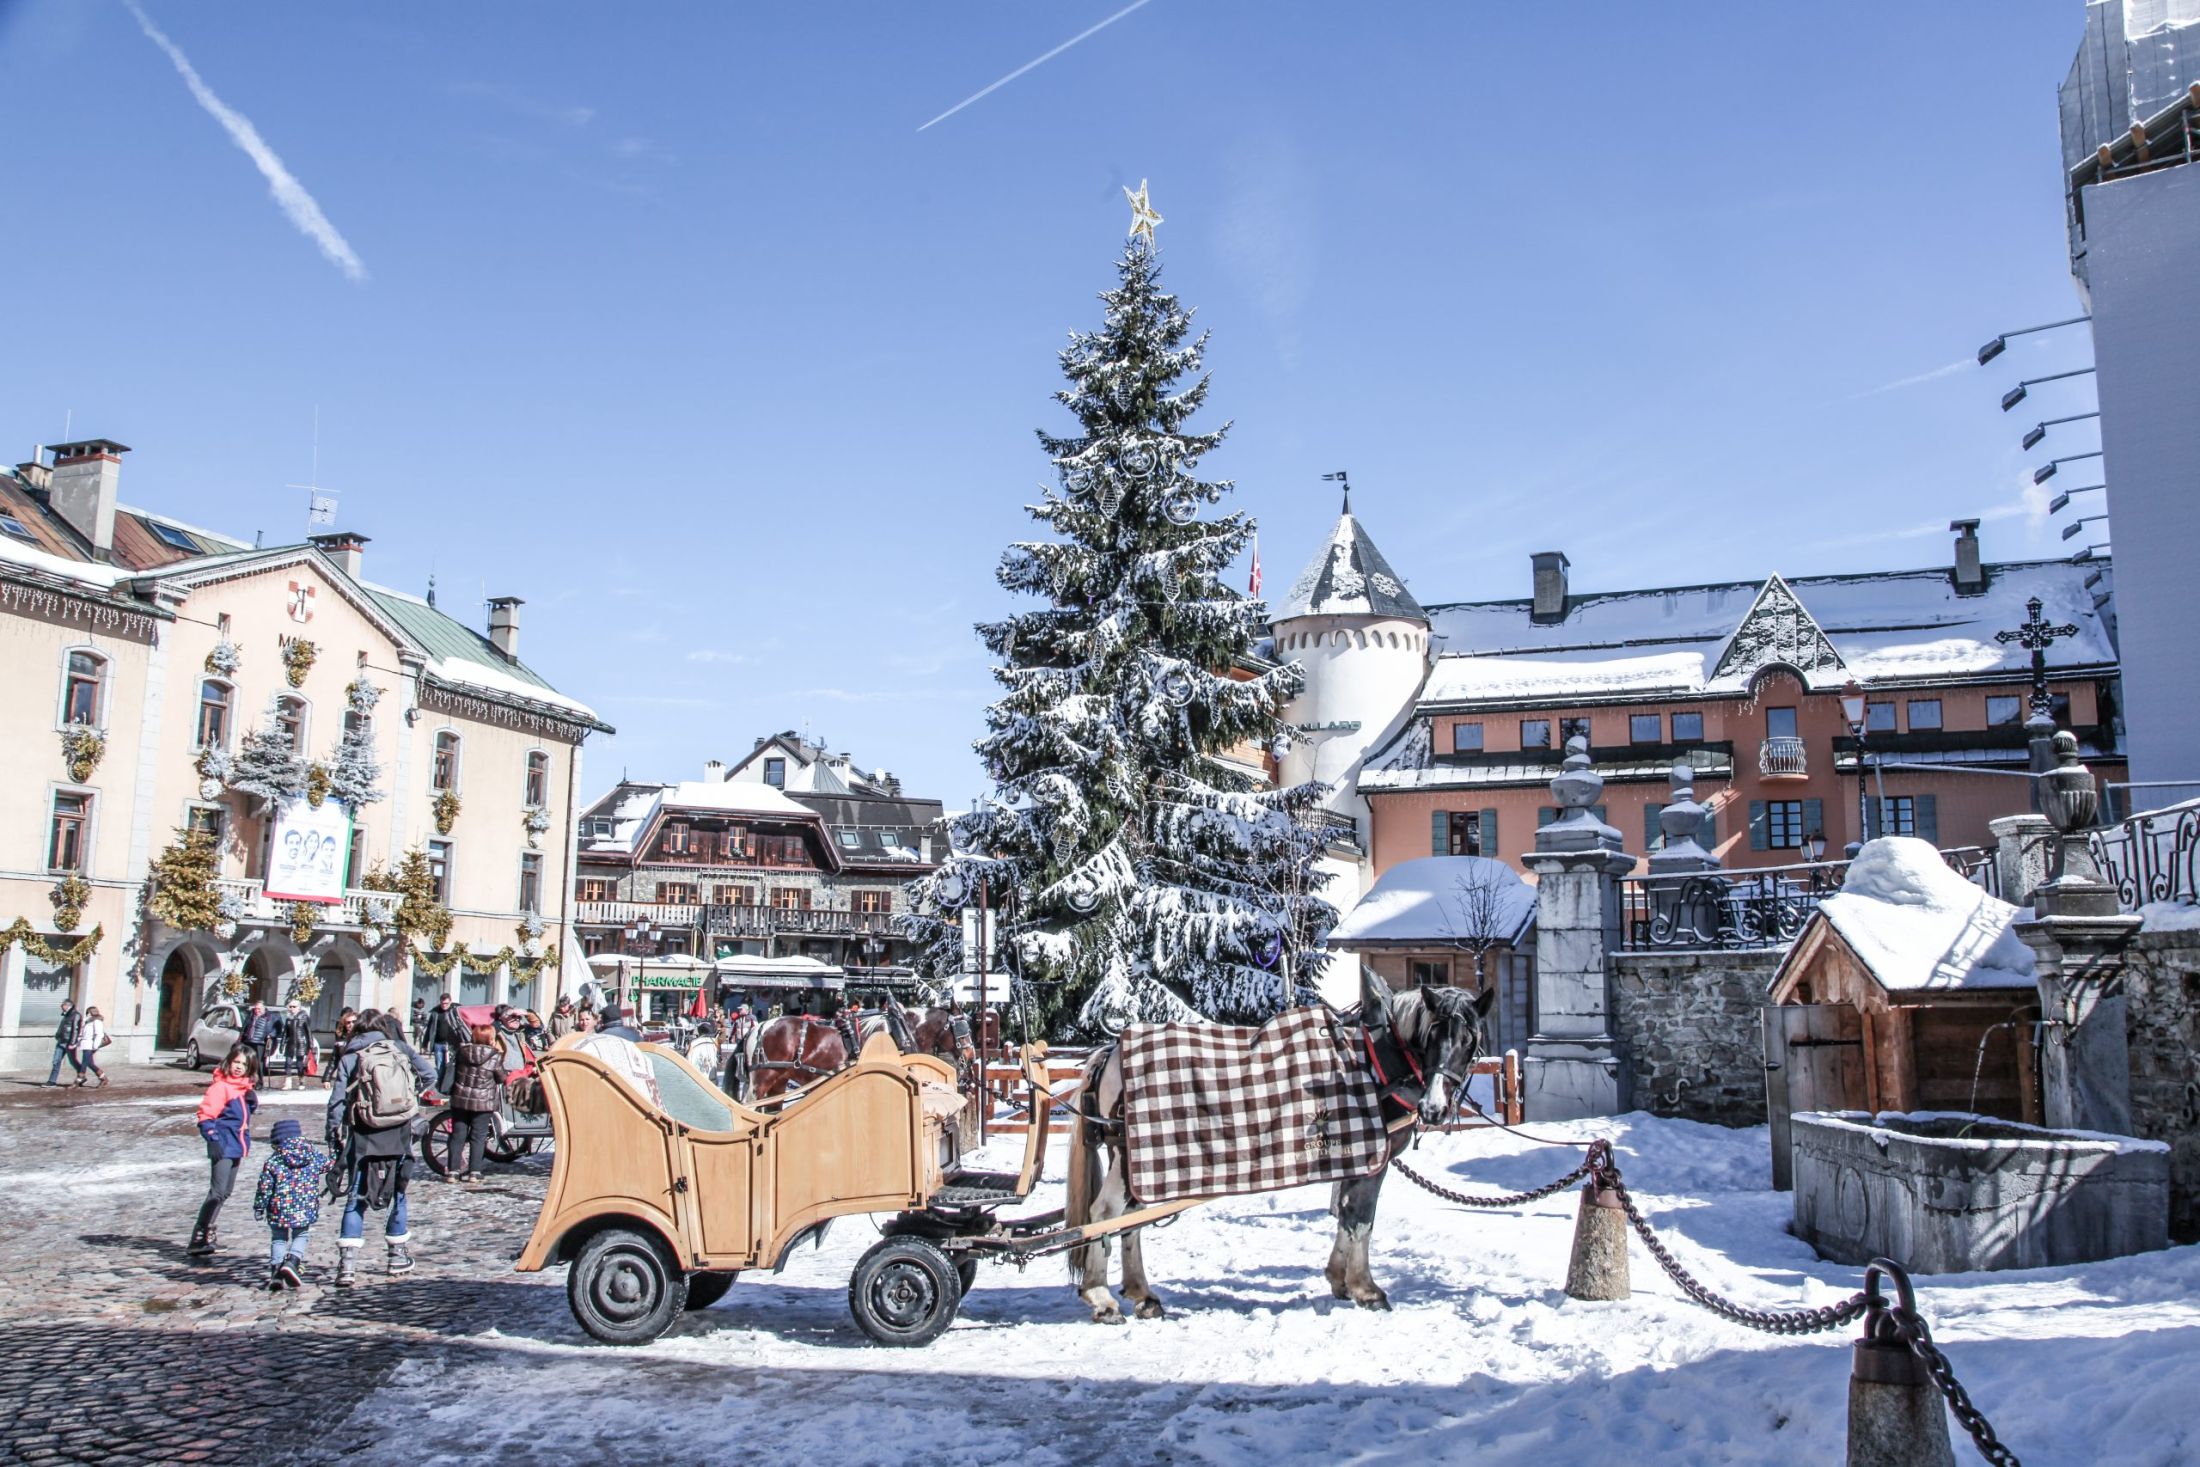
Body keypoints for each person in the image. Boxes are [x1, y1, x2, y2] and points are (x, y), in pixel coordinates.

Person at [325, 1010, 434, 1286]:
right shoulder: (399, 1048)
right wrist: (411, 1098)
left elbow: (337, 1100)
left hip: (363, 1131)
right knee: (397, 1190)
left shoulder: (351, 1055)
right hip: (399, 1129)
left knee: (355, 1194)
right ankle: (397, 1256)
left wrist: (333, 1133)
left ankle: (347, 1265)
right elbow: (431, 1075)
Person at [189, 1044, 259, 1257]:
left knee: (225, 1192)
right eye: (236, 1062)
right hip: (223, 1145)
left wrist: (251, 1102)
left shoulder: (243, 1088)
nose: (239, 1067)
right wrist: (213, 1138)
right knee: (217, 1192)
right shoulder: (222, 1087)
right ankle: (199, 1236)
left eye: (244, 1064)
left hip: (236, 1145)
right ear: (229, 1062)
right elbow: (206, 1115)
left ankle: (208, 1232)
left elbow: (242, 1115)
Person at [252, 1117, 328, 1290]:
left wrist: (259, 1206)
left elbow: (264, 1187)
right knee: (301, 1235)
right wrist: (337, 1152)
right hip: (305, 1208)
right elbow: (328, 1165)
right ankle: (293, 1261)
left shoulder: (274, 1161)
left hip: (278, 1208)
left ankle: (276, 1274)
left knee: (278, 1239)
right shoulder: (312, 1155)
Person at [445, 1023, 503, 1184]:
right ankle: (474, 1172)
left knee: (458, 1136)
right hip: (483, 1102)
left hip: (460, 1100)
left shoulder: (462, 1052)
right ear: (490, 1039)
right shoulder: (494, 1056)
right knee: (478, 1136)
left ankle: (453, 1172)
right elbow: (501, 1078)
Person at [273, 998, 312, 1091]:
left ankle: (301, 1081)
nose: (292, 1008)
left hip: (300, 1043)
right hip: (290, 1043)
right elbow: (285, 1033)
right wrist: (282, 1044)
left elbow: (308, 1032)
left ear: (298, 1007)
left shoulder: (304, 1017)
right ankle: (287, 1083)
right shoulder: (288, 1019)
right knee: (288, 1063)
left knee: (299, 1064)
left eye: (294, 1006)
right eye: (290, 1006)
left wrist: (310, 1045)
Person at [46, 999, 84, 1087]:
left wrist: (73, 1043)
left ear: (68, 1005)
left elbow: (75, 1030)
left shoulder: (76, 1015)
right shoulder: (66, 1014)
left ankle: (81, 1076)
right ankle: (52, 1081)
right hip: (61, 1041)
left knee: (73, 1061)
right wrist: (58, 1035)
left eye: (63, 1005)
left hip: (69, 1042)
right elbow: (62, 1027)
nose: (61, 1006)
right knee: (56, 1061)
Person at [76, 1006, 111, 1087]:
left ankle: (78, 1079)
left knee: (85, 1062)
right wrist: (79, 1041)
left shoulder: (97, 1021)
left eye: (88, 1013)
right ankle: (103, 1079)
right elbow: (83, 1033)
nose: (87, 1014)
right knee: (89, 1063)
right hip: (86, 1044)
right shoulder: (87, 1021)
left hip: (91, 1045)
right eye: (87, 1013)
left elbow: (99, 1034)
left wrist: (95, 1046)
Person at [324, 1008, 358, 1090]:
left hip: (358, 1075)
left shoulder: (362, 1037)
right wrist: (327, 1078)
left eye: (354, 1022)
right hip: (344, 1074)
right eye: (348, 1023)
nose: (351, 1024)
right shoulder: (341, 1039)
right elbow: (334, 1059)